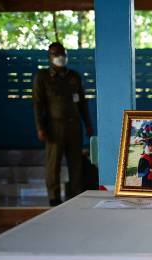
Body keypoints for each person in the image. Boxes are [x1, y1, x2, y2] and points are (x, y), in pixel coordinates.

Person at [33, 42, 93, 206]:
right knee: (54, 164)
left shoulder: (74, 76)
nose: (60, 57)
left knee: (76, 164)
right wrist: (40, 127)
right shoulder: (42, 77)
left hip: (74, 126)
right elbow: (38, 103)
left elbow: (82, 103)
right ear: (49, 56)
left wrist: (88, 124)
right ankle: (54, 197)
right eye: (56, 54)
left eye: (63, 54)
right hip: (54, 127)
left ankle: (76, 196)